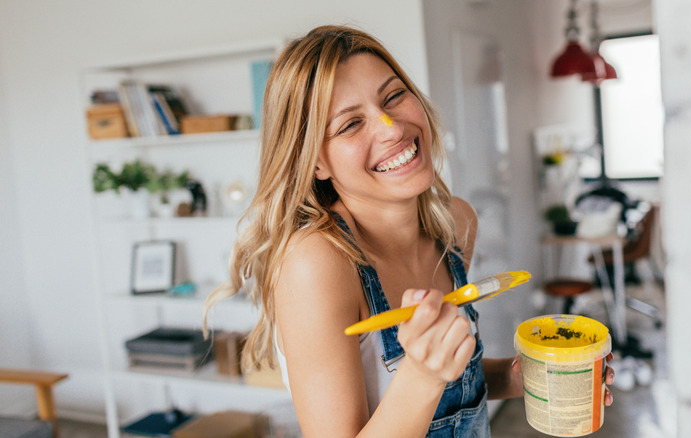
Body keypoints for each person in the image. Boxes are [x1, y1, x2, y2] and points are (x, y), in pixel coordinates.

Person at [205, 25, 614, 437]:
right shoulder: (317, 263)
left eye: (394, 96)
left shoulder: (455, 223)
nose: (391, 128)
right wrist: (421, 374)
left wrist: (523, 377)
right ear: (316, 164)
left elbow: (455, 386)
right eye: (350, 124)